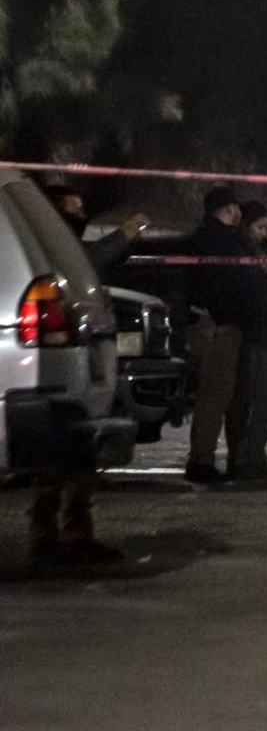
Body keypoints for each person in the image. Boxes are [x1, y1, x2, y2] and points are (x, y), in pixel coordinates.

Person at [27, 185, 150, 566]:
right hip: (58, 361)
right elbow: (88, 262)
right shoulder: (49, 249)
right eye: (73, 210)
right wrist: (124, 236)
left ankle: (72, 530)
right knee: (58, 451)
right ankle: (51, 533)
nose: (81, 217)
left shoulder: (55, 247)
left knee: (80, 451)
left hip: (85, 355)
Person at [184, 186, 267, 483]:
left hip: (216, 324)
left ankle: (204, 459)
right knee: (215, 396)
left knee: (218, 395)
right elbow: (228, 283)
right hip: (219, 327)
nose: (237, 214)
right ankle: (201, 462)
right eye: (234, 208)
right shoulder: (220, 241)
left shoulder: (205, 238)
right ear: (228, 209)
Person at [223, 200, 267, 480]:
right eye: (259, 227)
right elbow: (248, 289)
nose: (263, 233)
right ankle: (245, 458)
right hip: (254, 333)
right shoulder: (239, 252)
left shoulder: (257, 249)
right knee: (253, 399)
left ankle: (252, 455)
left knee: (265, 398)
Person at [47, 184, 150, 278]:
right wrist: (121, 237)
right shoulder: (48, 246)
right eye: (76, 210)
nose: (80, 215)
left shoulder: (71, 238)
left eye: (81, 210)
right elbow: (82, 266)